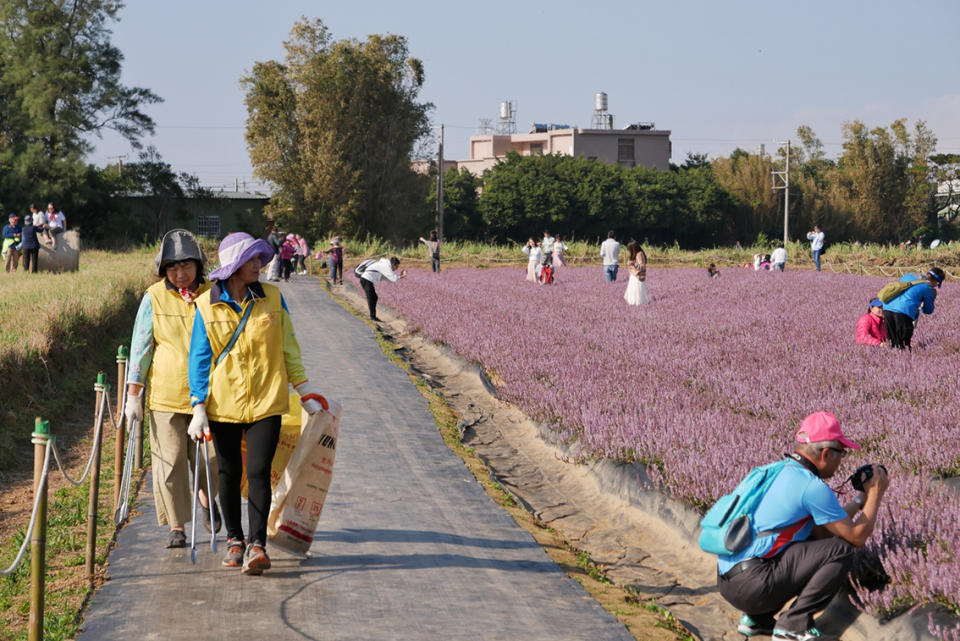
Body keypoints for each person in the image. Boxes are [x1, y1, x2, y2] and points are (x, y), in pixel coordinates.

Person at [188, 232, 324, 575]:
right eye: (251, 260)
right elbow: (199, 360)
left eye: (259, 259)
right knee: (229, 473)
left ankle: (257, 544)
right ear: (234, 266)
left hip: (267, 400)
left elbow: (288, 347)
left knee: (260, 473)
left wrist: (304, 391)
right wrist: (198, 406)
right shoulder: (206, 305)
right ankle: (235, 540)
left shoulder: (274, 298)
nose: (259, 265)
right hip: (223, 405)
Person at [718, 411, 889, 641]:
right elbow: (855, 537)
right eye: (842, 453)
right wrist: (876, 493)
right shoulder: (811, 487)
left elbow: (824, 531)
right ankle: (793, 625)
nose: (842, 460)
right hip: (754, 586)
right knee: (841, 550)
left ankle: (757, 619)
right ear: (826, 453)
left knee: (814, 542)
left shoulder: (774, 470)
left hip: (727, 581)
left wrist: (861, 500)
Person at [125, 229, 220, 549]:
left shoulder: (213, 294)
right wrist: (133, 394)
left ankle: (209, 503)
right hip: (165, 395)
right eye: (173, 268)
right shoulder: (153, 296)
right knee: (171, 461)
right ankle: (177, 526)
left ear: (199, 265)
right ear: (163, 270)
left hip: (209, 395)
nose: (181, 274)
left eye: (187, 267)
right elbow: (141, 346)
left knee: (211, 458)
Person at [881, 268, 944, 350]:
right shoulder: (929, 289)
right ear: (937, 282)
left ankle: (891, 359)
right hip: (904, 312)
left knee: (893, 343)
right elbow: (928, 310)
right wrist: (922, 303)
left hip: (887, 307)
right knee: (904, 345)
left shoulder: (909, 275)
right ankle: (903, 360)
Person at [359, 256, 406, 321]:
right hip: (366, 279)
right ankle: (372, 317)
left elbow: (389, 279)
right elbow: (393, 278)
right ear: (393, 264)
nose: (396, 269)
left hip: (367, 280)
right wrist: (401, 276)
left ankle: (373, 316)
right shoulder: (386, 266)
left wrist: (400, 277)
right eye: (396, 267)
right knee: (371, 297)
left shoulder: (385, 265)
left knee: (374, 297)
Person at [623, 241, 649, 306]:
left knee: (636, 292)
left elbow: (642, 266)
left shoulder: (639, 254)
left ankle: (637, 304)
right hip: (634, 276)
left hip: (637, 276)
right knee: (634, 292)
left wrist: (633, 264)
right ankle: (634, 304)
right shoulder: (637, 254)